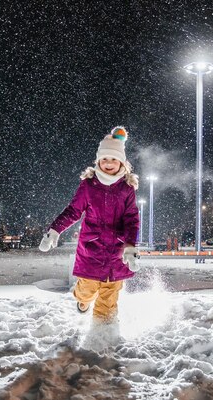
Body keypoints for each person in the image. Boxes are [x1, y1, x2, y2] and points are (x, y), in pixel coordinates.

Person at [39, 126, 141, 323]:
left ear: (121, 161)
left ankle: (102, 334)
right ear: (98, 161)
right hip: (92, 249)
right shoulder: (89, 185)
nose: (108, 163)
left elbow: (131, 218)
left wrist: (130, 246)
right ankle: (83, 301)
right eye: (104, 159)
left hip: (117, 253)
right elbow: (73, 211)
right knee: (87, 290)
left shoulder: (127, 188)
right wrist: (55, 230)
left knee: (109, 299)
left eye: (113, 159)